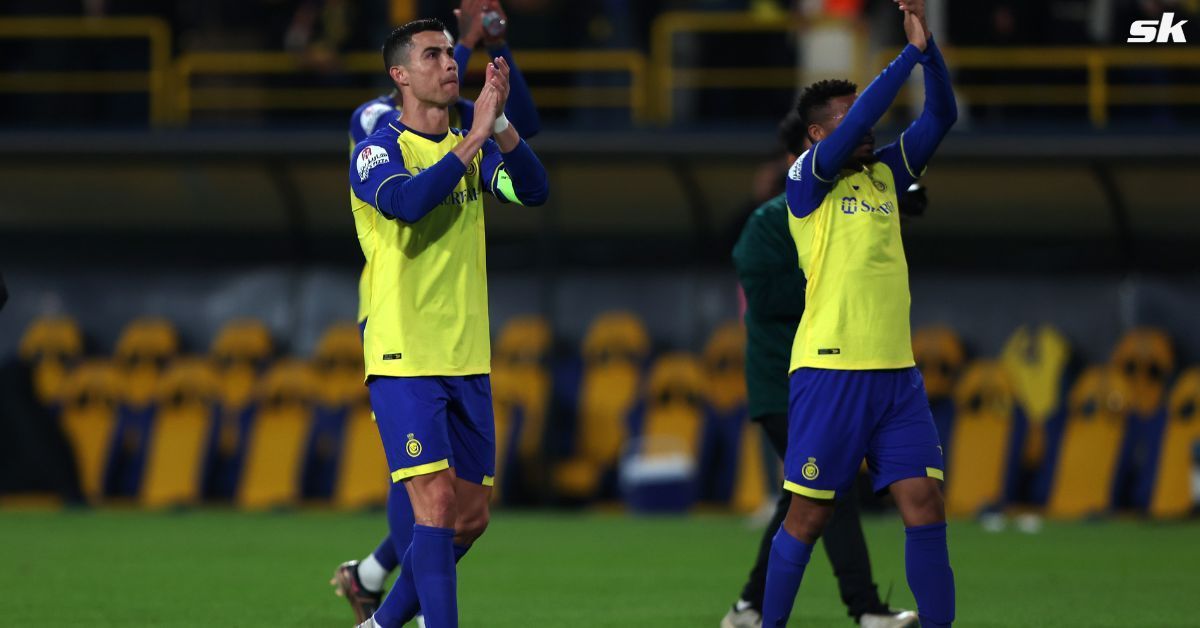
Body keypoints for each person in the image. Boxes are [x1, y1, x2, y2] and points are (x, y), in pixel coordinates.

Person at [332, 1, 541, 624]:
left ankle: (379, 620)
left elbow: (533, 188)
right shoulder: (376, 148)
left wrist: (498, 123)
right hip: (404, 350)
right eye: (434, 54)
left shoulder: (471, 148)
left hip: (467, 353)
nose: (449, 63)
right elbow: (409, 204)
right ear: (399, 76)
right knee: (435, 501)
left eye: (452, 53)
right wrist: (477, 135)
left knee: (470, 517)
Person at [761, 1, 957, 626]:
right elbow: (865, 117)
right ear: (818, 133)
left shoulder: (883, 174)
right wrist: (904, 57)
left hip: (897, 373)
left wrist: (930, 53)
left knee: (925, 501)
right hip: (830, 370)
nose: (865, 129)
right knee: (808, 514)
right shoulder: (805, 179)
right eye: (845, 119)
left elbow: (941, 115)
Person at [725, 110, 929, 628]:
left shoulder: (846, 205)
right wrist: (835, 283)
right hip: (786, 379)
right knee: (826, 494)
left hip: (829, 375)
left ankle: (750, 608)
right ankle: (865, 610)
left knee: (803, 500)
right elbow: (765, 295)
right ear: (797, 158)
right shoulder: (771, 219)